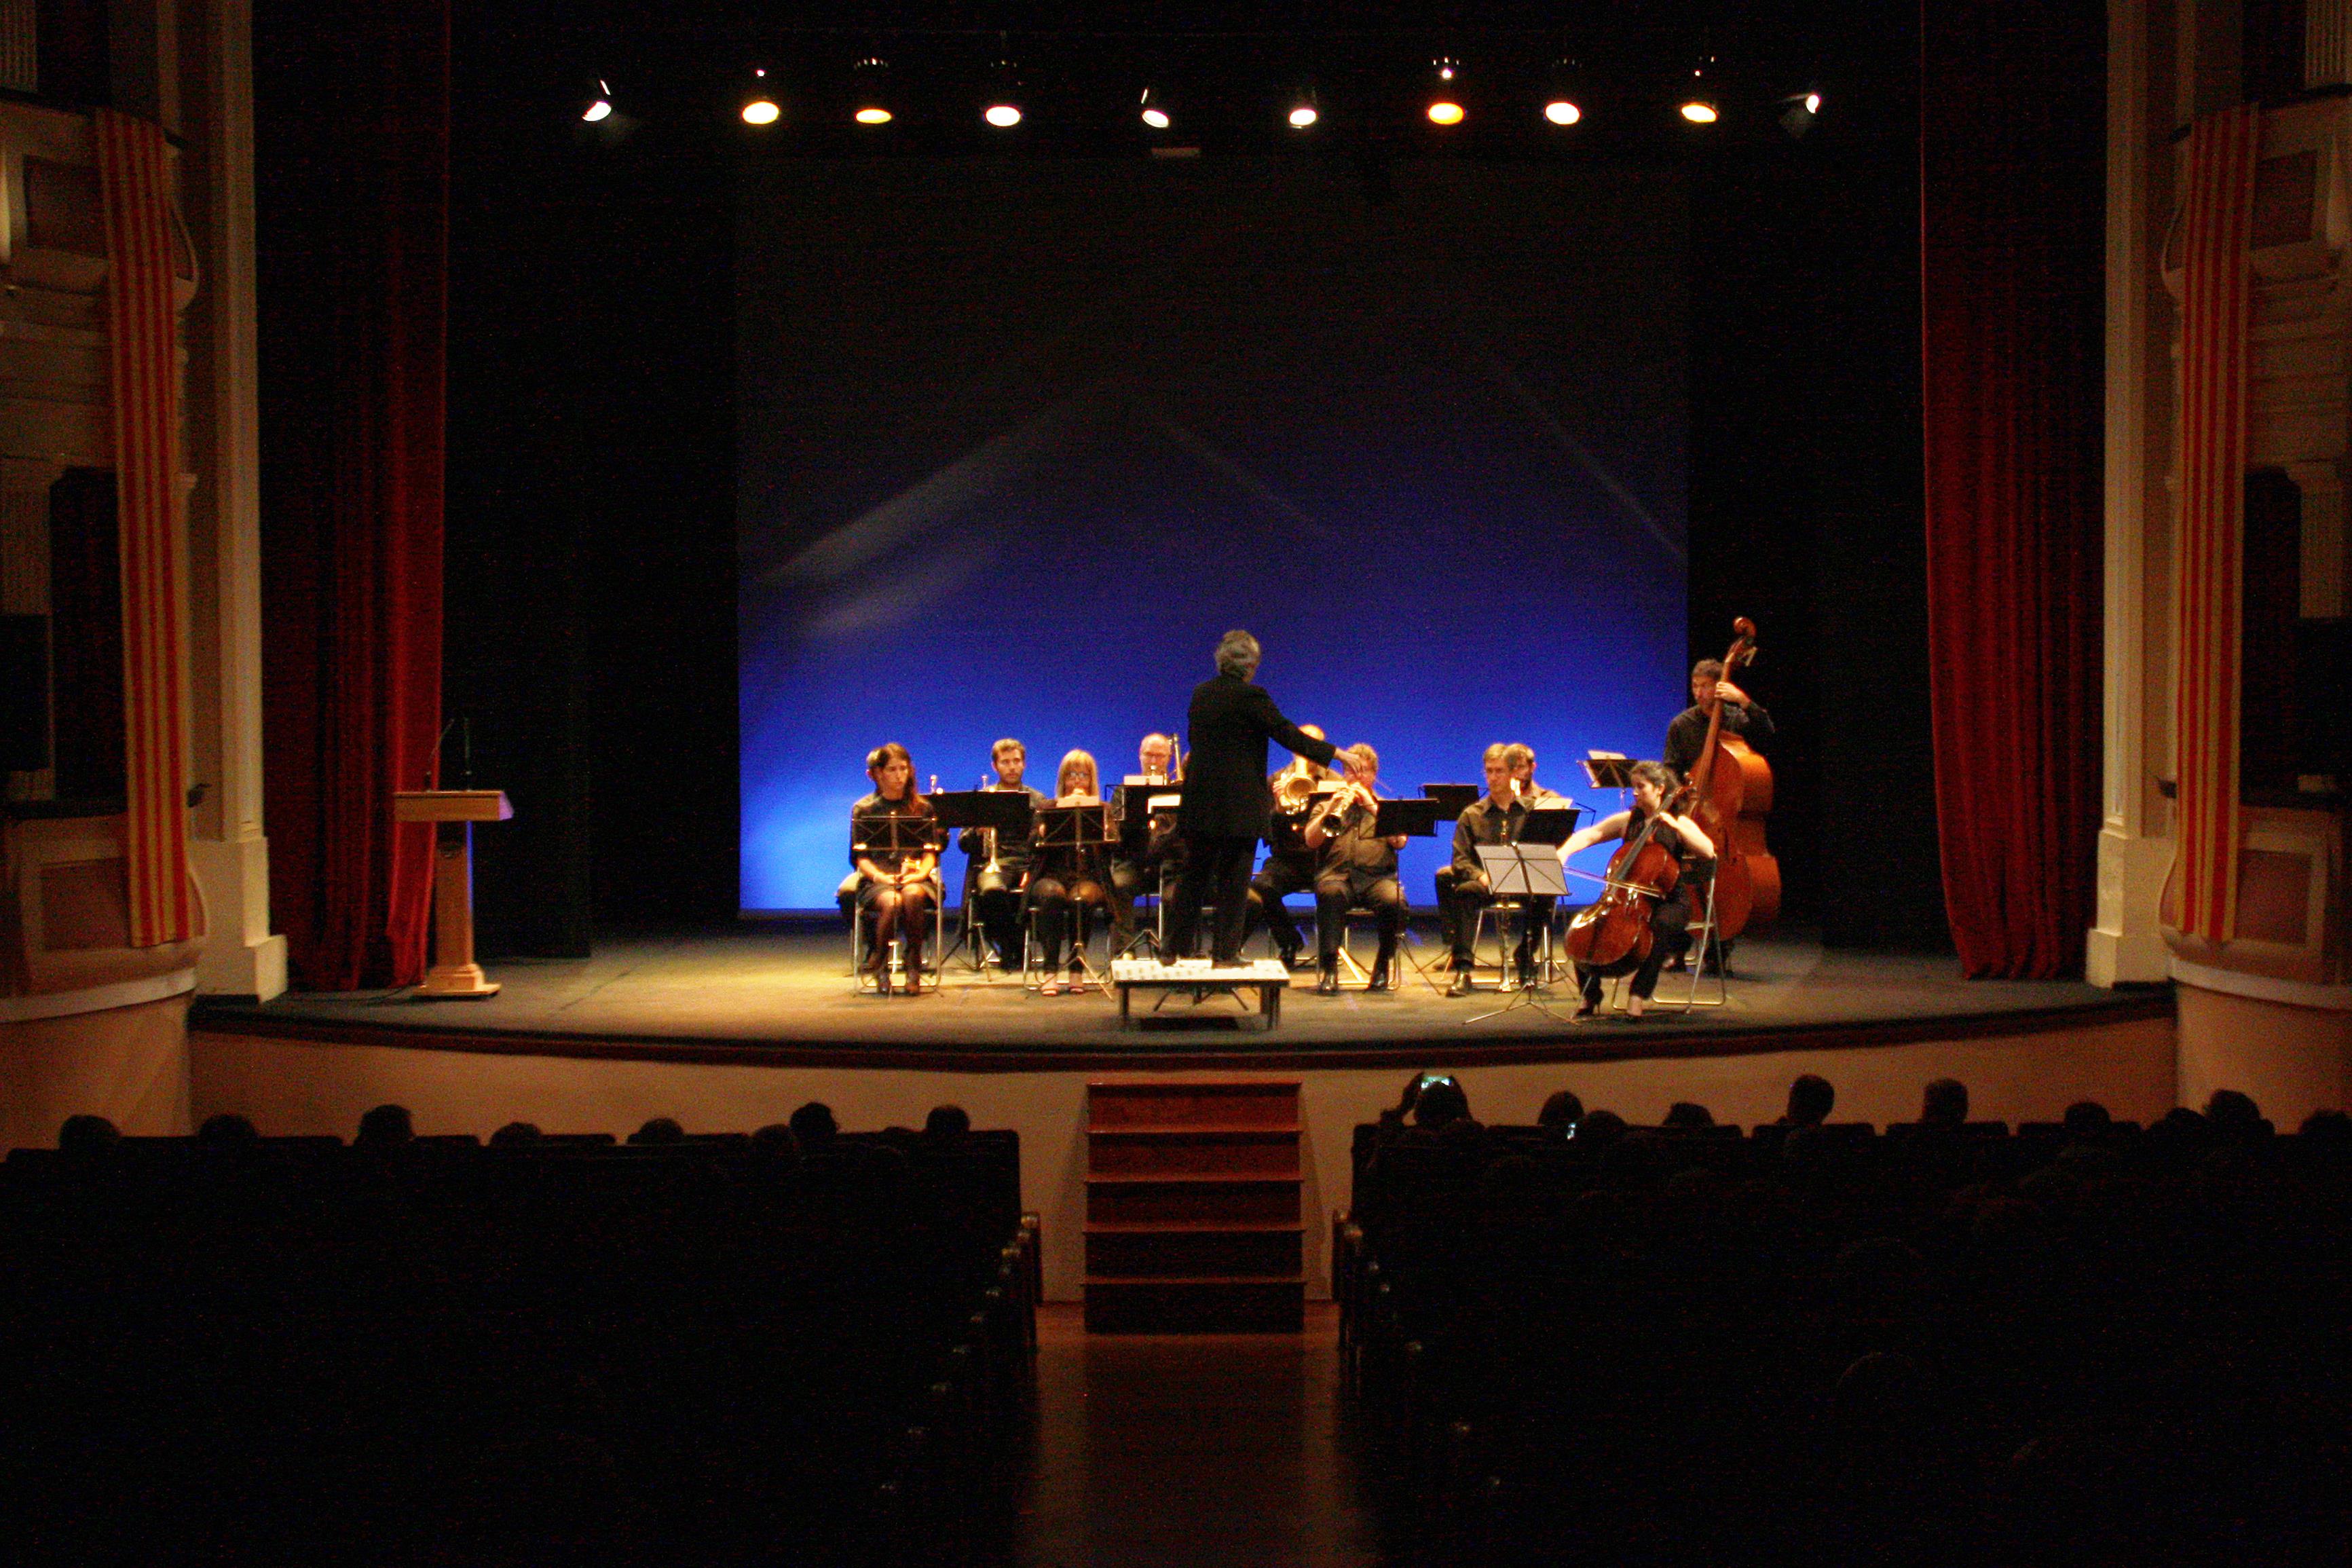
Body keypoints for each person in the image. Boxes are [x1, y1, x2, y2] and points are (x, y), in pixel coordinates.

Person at [1163, 629, 1338, 967]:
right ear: (1250, 665)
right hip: (1239, 807)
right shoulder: (1253, 697)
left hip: (1201, 802)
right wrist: (1338, 754)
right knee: (1234, 882)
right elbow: (1288, 734)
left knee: (1193, 877)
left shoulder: (1201, 694)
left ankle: (1172, 949)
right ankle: (1224, 954)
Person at [1559, 759, 1714, 1020]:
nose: (1635, 793)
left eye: (1641, 787)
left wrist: (1675, 827)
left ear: (1660, 789)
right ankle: (1589, 995)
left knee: (1660, 927)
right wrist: (1564, 852)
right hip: (1628, 900)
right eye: (1634, 787)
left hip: (1670, 900)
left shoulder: (1680, 822)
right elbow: (1591, 834)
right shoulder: (1628, 820)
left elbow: (1708, 851)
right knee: (1585, 927)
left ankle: (1638, 995)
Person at [1440, 743, 1555, 995]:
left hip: (1521, 881)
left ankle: (1526, 956)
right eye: (1489, 771)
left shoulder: (1531, 811)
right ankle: (1463, 970)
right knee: (1465, 892)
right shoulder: (1472, 814)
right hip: (1486, 882)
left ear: (1513, 773)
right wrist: (1480, 875)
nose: (1492, 778)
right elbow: (1460, 860)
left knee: (1546, 893)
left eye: (1499, 771)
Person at [1307, 744, 1409, 994]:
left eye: (1362, 771)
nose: (1356, 777)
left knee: (1395, 901)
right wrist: (1331, 809)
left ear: (1374, 774)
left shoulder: (1385, 808)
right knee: (1330, 894)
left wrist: (1371, 807)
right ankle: (1330, 969)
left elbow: (1400, 842)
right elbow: (1311, 841)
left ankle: (1382, 965)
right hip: (1338, 876)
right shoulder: (1326, 805)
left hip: (1377, 879)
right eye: (1351, 771)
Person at [851, 743, 940, 996]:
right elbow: (861, 858)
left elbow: (930, 854)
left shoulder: (923, 808)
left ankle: (913, 964)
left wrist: (920, 874)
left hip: (916, 877)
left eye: (903, 769)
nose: (900, 775)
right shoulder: (864, 809)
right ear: (879, 773)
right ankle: (881, 963)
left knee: (911, 895)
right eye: (892, 770)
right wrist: (881, 877)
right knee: (892, 902)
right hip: (878, 879)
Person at [1244, 725, 1334, 967]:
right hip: (1287, 858)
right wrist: (1277, 808)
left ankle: (1329, 955)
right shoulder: (1276, 780)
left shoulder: (1335, 782)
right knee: (1261, 887)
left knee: (1335, 891)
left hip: (1324, 859)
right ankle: (1290, 941)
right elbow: (1264, 831)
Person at [1029, 750, 1116, 994]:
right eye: (1072, 775)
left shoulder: (1103, 809)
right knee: (1052, 896)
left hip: (1088, 876)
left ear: (1091, 780)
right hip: (1052, 874)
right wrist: (1043, 832)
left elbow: (1114, 846)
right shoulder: (1047, 807)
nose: (1077, 781)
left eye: (1083, 775)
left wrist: (1105, 829)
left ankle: (1076, 969)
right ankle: (1049, 970)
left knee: (1081, 899)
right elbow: (1031, 844)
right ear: (1063, 779)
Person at [958, 738, 1047, 973]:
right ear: (995, 766)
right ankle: (1013, 945)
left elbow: (1043, 844)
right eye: (1005, 762)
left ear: (1024, 764)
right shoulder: (983, 799)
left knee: (1044, 891)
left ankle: (1013, 948)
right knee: (991, 891)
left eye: (1016, 761)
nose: (1012, 767)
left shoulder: (1037, 800)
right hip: (995, 865)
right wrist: (978, 832)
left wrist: (1033, 867)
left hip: (1029, 865)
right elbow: (963, 844)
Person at [1108, 732, 1182, 932]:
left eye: (1160, 756)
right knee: (1118, 886)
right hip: (1134, 862)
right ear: (1140, 756)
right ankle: (1124, 947)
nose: (1154, 761)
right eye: (1149, 755)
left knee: (1178, 895)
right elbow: (1116, 834)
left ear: (1169, 758)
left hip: (1170, 865)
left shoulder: (1179, 790)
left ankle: (1172, 946)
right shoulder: (1123, 791)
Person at [1663, 658, 1775, 777]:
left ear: (1720, 687)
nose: (1698, 694)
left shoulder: (1735, 718)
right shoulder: (1681, 724)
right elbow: (1670, 770)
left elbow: (1767, 731)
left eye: (1705, 686)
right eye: (1695, 686)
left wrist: (1744, 700)